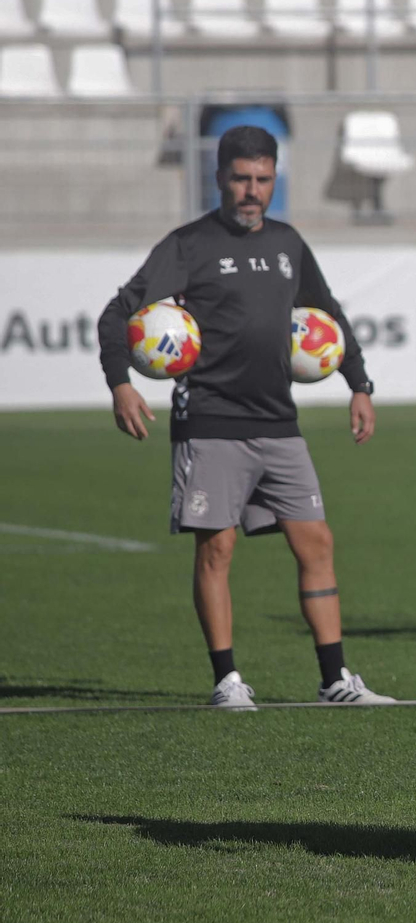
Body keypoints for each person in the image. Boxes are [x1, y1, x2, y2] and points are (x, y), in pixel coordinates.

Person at [96, 125, 394, 710]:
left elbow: (326, 314)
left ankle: (335, 679)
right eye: (240, 179)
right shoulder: (188, 245)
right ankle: (227, 681)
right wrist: (120, 384)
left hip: (279, 423)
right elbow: (117, 314)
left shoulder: (287, 244)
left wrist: (358, 384)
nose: (251, 190)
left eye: (262, 179)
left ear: (274, 179)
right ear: (220, 179)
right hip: (210, 421)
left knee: (317, 543)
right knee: (217, 549)